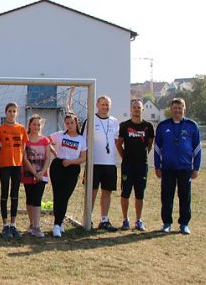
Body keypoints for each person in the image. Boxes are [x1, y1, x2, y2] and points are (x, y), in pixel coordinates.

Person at [154, 98, 200, 234]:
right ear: (171, 109)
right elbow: (157, 148)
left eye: (180, 108)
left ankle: (184, 224)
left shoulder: (192, 125)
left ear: (184, 109)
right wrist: (157, 166)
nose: (177, 110)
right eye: (175, 108)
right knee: (167, 196)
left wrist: (196, 167)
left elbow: (197, 148)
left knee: (185, 196)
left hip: (185, 168)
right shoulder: (163, 126)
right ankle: (167, 223)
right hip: (167, 168)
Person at [82, 96, 119, 231]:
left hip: (109, 164)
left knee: (107, 192)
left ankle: (104, 219)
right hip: (93, 163)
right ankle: (87, 219)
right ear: (97, 105)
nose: (105, 107)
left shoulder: (114, 121)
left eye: (107, 105)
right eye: (102, 104)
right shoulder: (90, 120)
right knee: (91, 192)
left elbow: (116, 141)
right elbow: (84, 141)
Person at [115, 100, 154, 231]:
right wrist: (124, 157)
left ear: (143, 110)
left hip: (142, 166)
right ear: (131, 109)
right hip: (128, 166)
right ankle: (125, 220)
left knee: (139, 194)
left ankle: (138, 220)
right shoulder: (125, 126)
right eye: (134, 107)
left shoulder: (148, 126)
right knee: (125, 193)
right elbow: (118, 143)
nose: (137, 109)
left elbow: (150, 144)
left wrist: (143, 154)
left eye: (139, 107)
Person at [0, 102, 28, 240]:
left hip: (17, 166)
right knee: (4, 193)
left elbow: (24, 146)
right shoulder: (0, 129)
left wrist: (19, 159)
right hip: (5, 165)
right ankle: (5, 224)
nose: (11, 113)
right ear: (5, 112)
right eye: (9, 111)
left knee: (14, 194)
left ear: (17, 113)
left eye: (14, 111)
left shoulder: (21, 128)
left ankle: (13, 224)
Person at [49, 113, 87, 238]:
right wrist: (54, 152)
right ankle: (57, 224)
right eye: (67, 123)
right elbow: (46, 140)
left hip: (72, 168)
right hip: (58, 167)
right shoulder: (60, 135)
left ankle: (58, 222)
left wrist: (71, 162)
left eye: (72, 123)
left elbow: (83, 158)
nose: (70, 125)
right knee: (57, 195)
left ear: (76, 123)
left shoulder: (81, 139)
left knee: (65, 196)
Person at [22, 115, 51, 238]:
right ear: (29, 125)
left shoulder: (45, 140)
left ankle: (37, 226)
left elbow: (48, 158)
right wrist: (34, 172)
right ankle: (32, 223)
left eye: (39, 125)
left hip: (41, 175)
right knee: (30, 198)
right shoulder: (25, 140)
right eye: (34, 124)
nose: (36, 127)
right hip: (28, 173)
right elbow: (24, 158)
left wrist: (41, 172)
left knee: (37, 199)